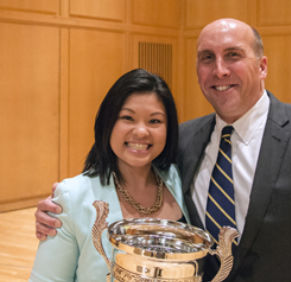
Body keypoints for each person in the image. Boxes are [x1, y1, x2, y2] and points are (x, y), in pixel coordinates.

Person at [34, 18, 291, 282]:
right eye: (207, 58)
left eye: (233, 55)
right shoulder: (183, 144)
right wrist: (59, 211)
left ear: (262, 66)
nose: (219, 70)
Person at [30, 68, 189, 281]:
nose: (141, 131)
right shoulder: (72, 197)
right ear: (107, 122)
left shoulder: (182, 180)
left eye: (154, 121)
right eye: (127, 118)